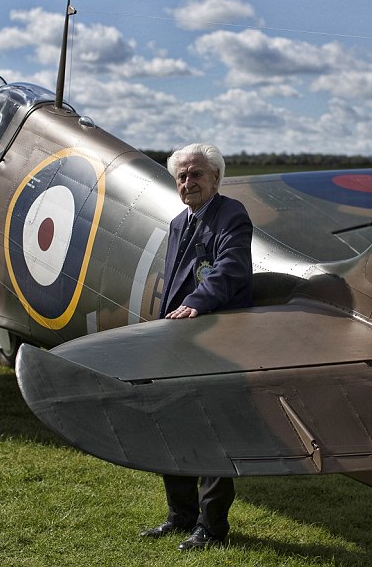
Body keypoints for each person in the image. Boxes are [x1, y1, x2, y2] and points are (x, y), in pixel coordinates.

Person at [140, 143, 254, 551]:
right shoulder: (178, 223)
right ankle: (180, 515)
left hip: (215, 337)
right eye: (182, 176)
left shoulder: (231, 215)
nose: (188, 182)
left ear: (216, 178)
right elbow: (172, 283)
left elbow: (232, 268)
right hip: (177, 338)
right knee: (172, 426)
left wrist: (197, 303)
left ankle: (211, 526)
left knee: (212, 431)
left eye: (197, 174)